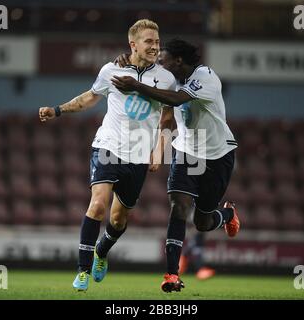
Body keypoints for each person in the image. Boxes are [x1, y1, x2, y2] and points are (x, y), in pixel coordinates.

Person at [38, 19, 176, 291]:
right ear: (132, 44)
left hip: (137, 157)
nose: (154, 47)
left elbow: (167, 118)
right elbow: (90, 97)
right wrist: (58, 110)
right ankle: (82, 270)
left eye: (157, 42)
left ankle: (102, 251)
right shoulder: (111, 70)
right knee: (98, 205)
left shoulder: (166, 78)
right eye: (149, 41)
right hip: (108, 146)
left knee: (118, 219)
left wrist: (160, 151)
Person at [112, 39, 240, 292]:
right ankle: (171, 274)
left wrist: (137, 85)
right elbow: (167, 113)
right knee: (178, 207)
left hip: (217, 155)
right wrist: (125, 61)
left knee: (202, 222)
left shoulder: (206, 77)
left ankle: (226, 215)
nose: (159, 64)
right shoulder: (170, 81)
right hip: (186, 152)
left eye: (163, 60)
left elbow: (178, 100)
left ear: (178, 62)